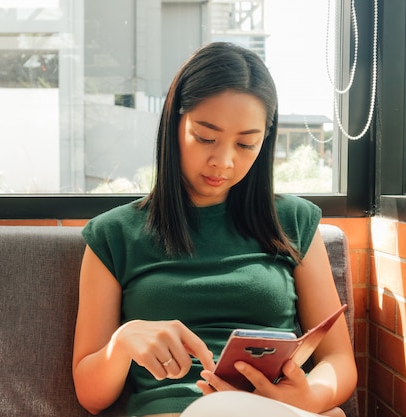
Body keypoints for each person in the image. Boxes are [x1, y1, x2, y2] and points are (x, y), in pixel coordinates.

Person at [72, 42, 357, 417]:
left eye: (246, 144)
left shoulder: (294, 222)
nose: (223, 161)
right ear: (175, 123)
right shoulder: (114, 235)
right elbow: (92, 397)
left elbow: (338, 359)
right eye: (206, 137)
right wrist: (121, 344)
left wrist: (311, 397)